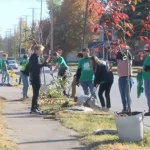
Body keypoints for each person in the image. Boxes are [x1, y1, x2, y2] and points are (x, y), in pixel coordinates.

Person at [29, 45, 48, 114]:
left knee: (36, 93)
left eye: (41, 51)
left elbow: (37, 65)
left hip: (35, 76)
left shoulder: (35, 57)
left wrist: (44, 64)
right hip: (35, 76)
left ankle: (36, 107)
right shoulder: (34, 57)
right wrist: (44, 64)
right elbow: (36, 66)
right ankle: (33, 108)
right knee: (36, 93)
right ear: (36, 50)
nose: (41, 52)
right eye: (40, 51)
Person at [116, 45, 134, 112]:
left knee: (127, 94)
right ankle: (124, 108)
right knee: (122, 94)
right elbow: (119, 61)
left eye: (127, 49)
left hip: (128, 77)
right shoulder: (119, 56)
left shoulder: (128, 57)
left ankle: (129, 108)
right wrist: (120, 51)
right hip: (121, 77)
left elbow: (127, 60)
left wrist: (124, 52)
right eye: (125, 49)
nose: (126, 50)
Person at [142, 44, 150, 116]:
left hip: (148, 78)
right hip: (147, 77)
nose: (144, 52)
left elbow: (147, 68)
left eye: (145, 50)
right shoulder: (147, 57)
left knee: (148, 94)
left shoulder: (148, 57)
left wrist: (141, 70)